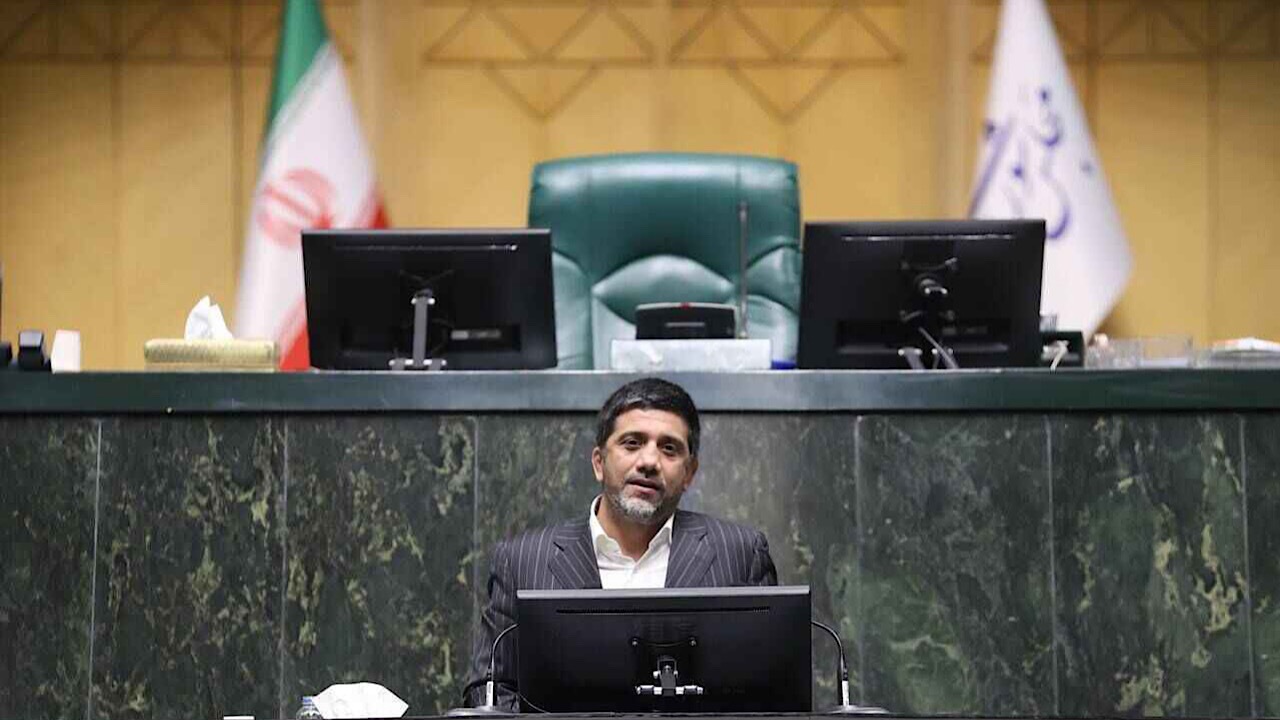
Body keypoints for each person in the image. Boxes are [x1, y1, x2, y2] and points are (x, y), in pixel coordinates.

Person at [462, 377, 778, 710]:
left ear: (689, 473)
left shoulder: (740, 554)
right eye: (632, 443)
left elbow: (772, 692)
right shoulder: (523, 560)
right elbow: (490, 691)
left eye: (669, 448)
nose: (649, 462)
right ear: (599, 462)